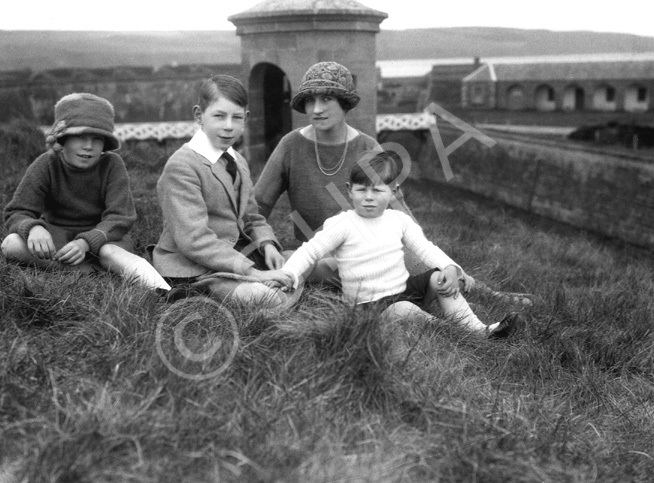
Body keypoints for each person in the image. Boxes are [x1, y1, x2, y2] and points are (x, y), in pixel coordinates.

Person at [255, 61, 531, 306]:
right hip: (321, 252)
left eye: (327, 98)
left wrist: (428, 251)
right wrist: (265, 243)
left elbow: (398, 210)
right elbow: (258, 205)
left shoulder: (367, 145)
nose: (316, 108)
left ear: (345, 103)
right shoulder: (291, 145)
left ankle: (484, 292)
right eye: (310, 100)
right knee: (294, 261)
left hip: (372, 246)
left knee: (423, 262)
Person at [269, 151, 520, 339]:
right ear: (349, 191)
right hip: (369, 306)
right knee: (402, 310)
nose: (368, 198)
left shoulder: (398, 220)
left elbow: (425, 248)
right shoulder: (341, 224)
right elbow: (310, 251)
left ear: (393, 191)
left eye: (378, 191)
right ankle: (452, 333)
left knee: (437, 278)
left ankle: (479, 330)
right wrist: (289, 273)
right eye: (361, 190)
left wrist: (451, 267)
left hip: (402, 288)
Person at [1, 93, 171, 291]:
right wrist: (33, 228)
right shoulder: (46, 164)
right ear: (62, 139)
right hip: (59, 241)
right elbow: (17, 212)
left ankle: (163, 290)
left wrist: (86, 242)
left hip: (103, 240)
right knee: (11, 244)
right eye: (80, 136)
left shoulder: (112, 164)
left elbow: (121, 217)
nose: (88, 146)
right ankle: (89, 271)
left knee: (111, 253)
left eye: (97, 138)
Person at [152, 74, 294, 306]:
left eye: (236, 118)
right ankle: (203, 291)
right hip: (194, 265)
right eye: (219, 116)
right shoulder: (182, 166)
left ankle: (262, 288)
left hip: (234, 253)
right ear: (199, 115)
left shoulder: (237, 160)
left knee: (295, 263)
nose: (228, 126)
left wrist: (268, 245)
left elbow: (252, 218)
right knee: (267, 297)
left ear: (245, 119)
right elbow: (194, 240)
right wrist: (253, 272)